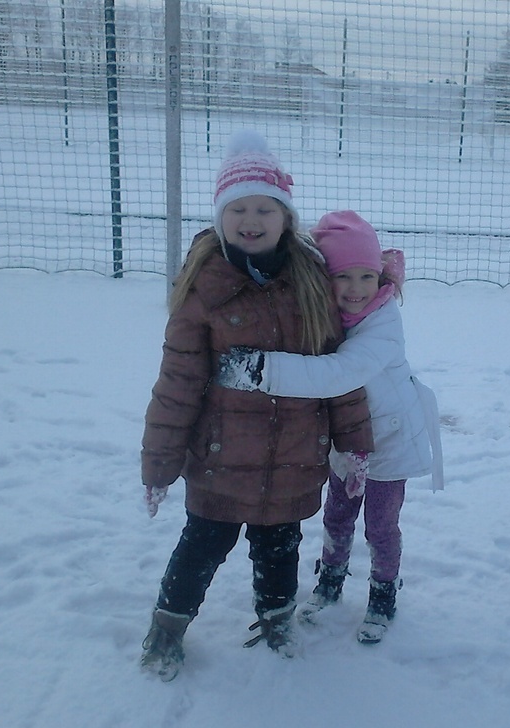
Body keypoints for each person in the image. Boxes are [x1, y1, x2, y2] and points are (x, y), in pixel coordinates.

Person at [138, 132, 374, 681]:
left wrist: (353, 442)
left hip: (295, 455)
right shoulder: (203, 288)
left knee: (280, 547)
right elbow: (177, 382)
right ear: (220, 216)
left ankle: (276, 620)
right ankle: (167, 629)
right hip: (221, 459)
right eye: (237, 208)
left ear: (285, 216)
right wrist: (159, 465)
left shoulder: (312, 281)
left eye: (265, 209)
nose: (251, 220)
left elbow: (338, 371)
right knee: (201, 547)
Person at [217, 210, 442, 644]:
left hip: (390, 442)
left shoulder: (383, 321)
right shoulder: (325, 316)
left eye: (366, 276)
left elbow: (340, 374)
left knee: (380, 525)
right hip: (346, 439)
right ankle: (330, 582)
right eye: (344, 277)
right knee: (337, 516)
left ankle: (383, 594)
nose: (357, 289)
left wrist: (262, 370)